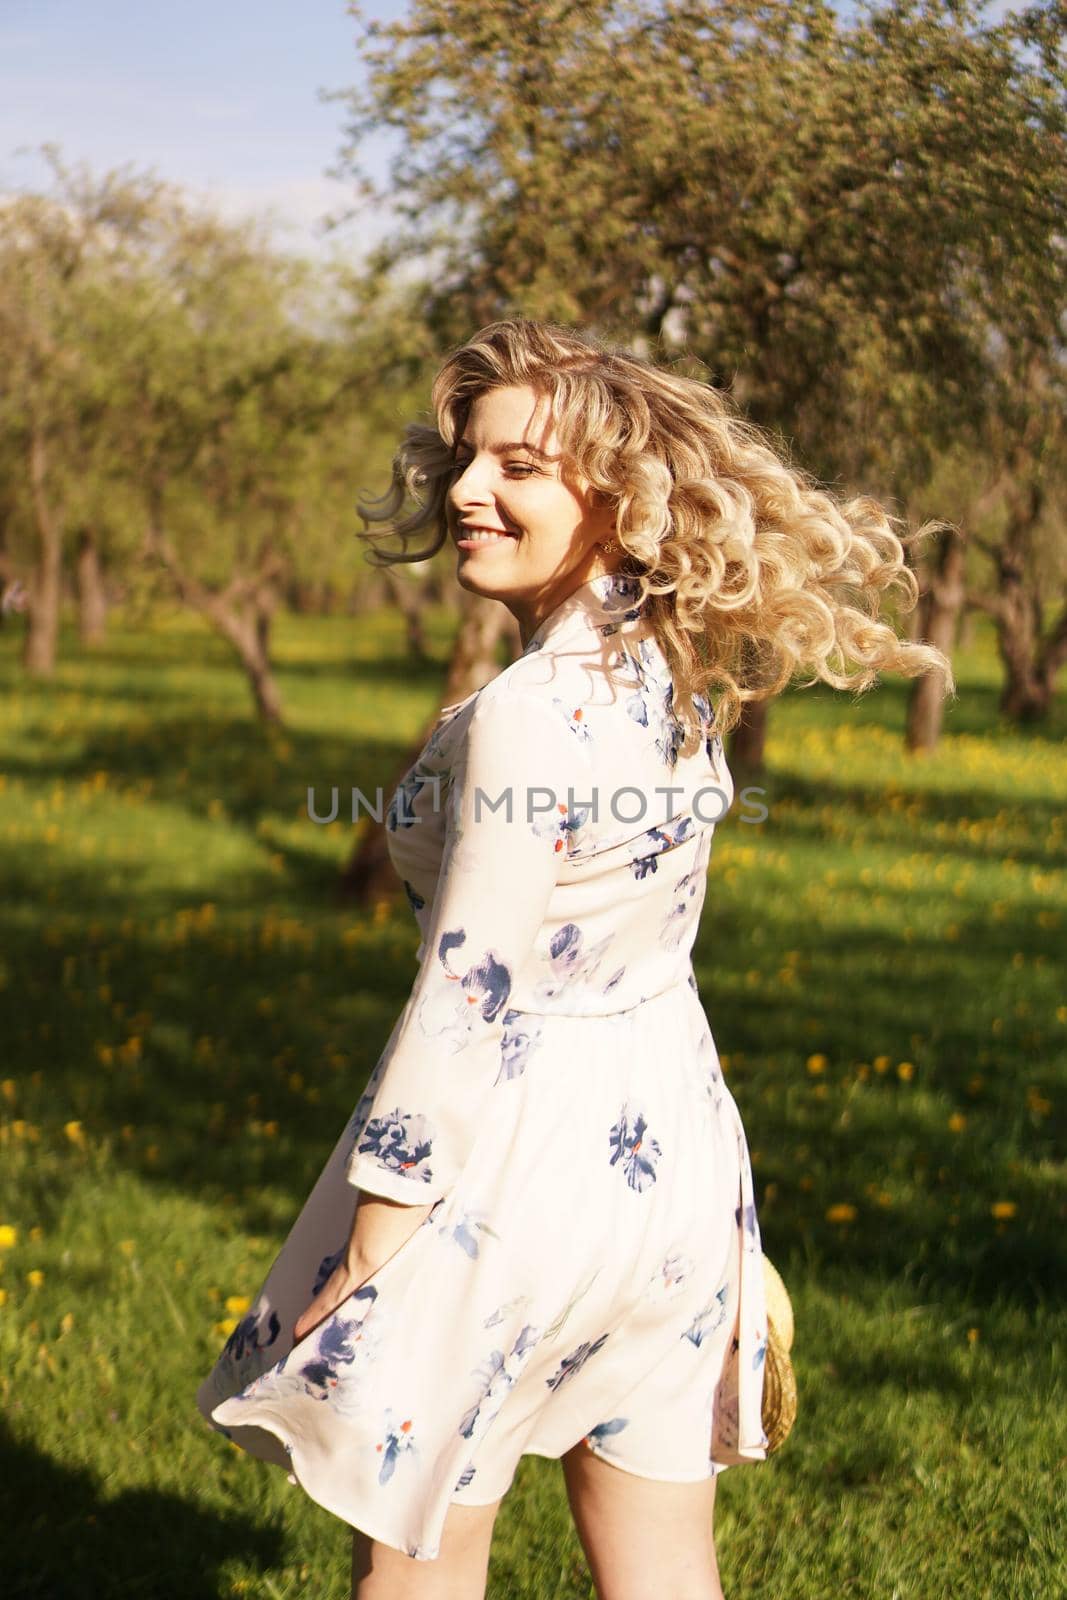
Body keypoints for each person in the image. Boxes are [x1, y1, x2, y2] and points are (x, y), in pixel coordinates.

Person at [196, 318, 954, 1599]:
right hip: (669, 1169)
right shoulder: (673, 671)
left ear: (618, 500)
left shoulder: (532, 712)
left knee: (421, 1569)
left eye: (520, 468)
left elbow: (469, 989)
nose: (471, 493)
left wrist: (373, 1238)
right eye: (467, 463)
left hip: (509, 1180)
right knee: (664, 1568)